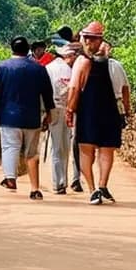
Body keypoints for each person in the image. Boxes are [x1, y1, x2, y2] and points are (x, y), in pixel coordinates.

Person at [65, 21, 126, 205]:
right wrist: (127, 111)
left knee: (86, 151)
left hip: (88, 111)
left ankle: (93, 190)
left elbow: (75, 88)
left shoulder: (82, 62)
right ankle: (102, 185)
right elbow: (125, 90)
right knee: (107, 151)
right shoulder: (115, 65)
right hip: (111, 111)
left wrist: (69, 110)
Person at [0, 37, 56, 200]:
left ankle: (10, 178)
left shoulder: (1, 67)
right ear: (28, 50)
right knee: (31, 154)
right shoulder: (38, 68)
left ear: (11, 49)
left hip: (8, 117)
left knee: (10, 147)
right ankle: (34, 189)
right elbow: (47, 93)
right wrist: (49, 113)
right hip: (32, 118)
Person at [45, 43, 81, 194]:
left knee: (57, 147)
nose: (74, 58)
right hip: (68, 110)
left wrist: (44, 113)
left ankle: (58, 182)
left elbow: (45, 92)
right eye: (72, 55)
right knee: (65, 147)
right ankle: (62, 182)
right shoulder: (73, 70)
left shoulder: (49, 68)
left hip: (54, 109)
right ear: (66, 56)